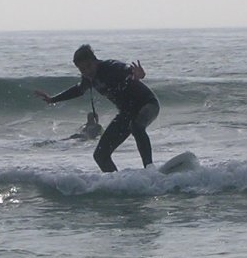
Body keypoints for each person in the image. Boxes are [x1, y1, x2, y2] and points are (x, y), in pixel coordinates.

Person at [35, 44, 159, 172]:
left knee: (136, 127)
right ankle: (116, 180)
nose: (87, 71)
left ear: (95, 60)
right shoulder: (88, 78)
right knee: (100, 155)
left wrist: (139, 74)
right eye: (82, 69)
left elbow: (126, 69)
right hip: (126, 114)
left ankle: (150, 169)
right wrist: (52, 99)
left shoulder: (110, 67)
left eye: (88, 66)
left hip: (147, 104)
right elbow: (78, 90)